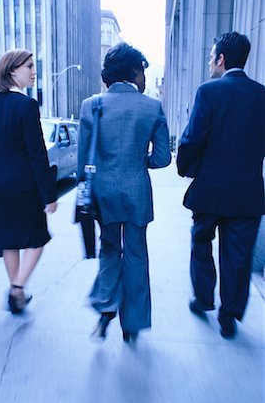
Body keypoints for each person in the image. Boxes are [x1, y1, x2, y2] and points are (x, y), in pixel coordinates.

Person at [78, 42, 171, 342]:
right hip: (136, 193)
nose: (145, 79)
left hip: (103, 194)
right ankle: (132, 323)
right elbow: (162, 158)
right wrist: (137, 160)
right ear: (134, 71)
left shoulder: (91, 106)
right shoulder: (152, 107)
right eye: (143, 72)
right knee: (136, 254)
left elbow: (83, 162)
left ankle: (106, 306)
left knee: (109, 248)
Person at [177, 32, 265, 338]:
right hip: (247, 193)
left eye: (211, 56)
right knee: (238, 256)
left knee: (201, 242)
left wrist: (185, 168)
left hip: (210, 191)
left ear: (221, 59)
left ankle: (204, 298)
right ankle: (229, 316)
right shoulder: (262, 96)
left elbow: (192, 138)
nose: (209, 62)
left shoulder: (209, 92)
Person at [0, 49, 58, 314]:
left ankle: (17, 291)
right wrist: (49, 195)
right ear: (13, 71)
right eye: (29, 66)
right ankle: (17, 287)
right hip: (23, 185)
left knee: (9, 240)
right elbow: (37, 153)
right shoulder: (27, 106)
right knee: (37, 239)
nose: (33, 71)